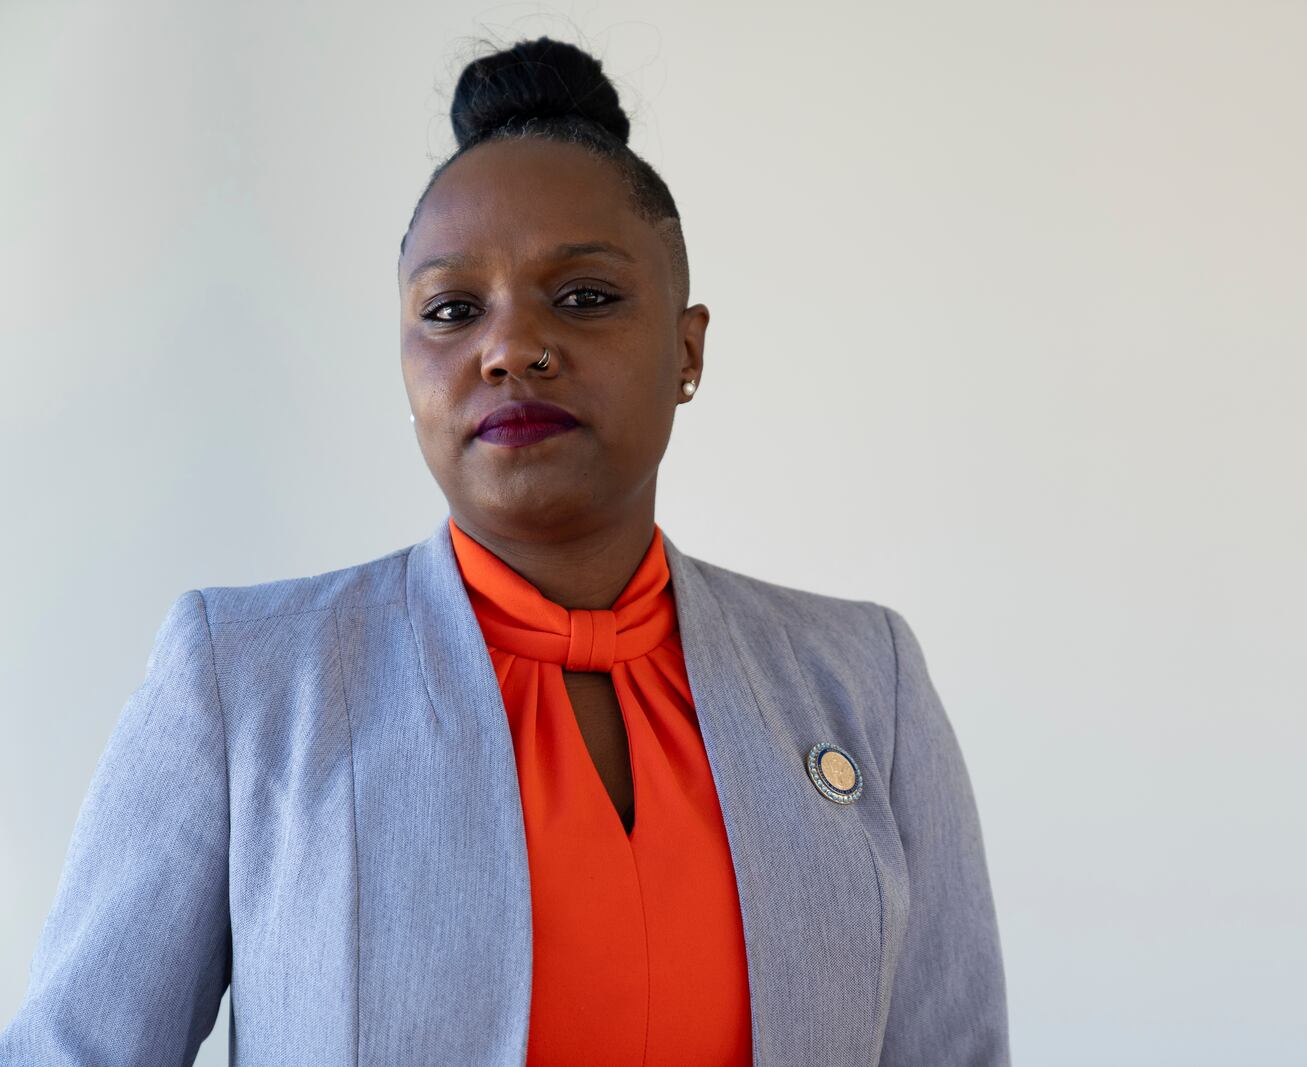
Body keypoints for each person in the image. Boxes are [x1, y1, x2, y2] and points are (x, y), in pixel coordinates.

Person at [0, 36, 1008, 1067]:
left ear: (687, 350)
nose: (510, 346)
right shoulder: (250, 681)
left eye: (584, 297)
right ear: (407, 365)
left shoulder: (861, 684)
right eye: (451, 310)